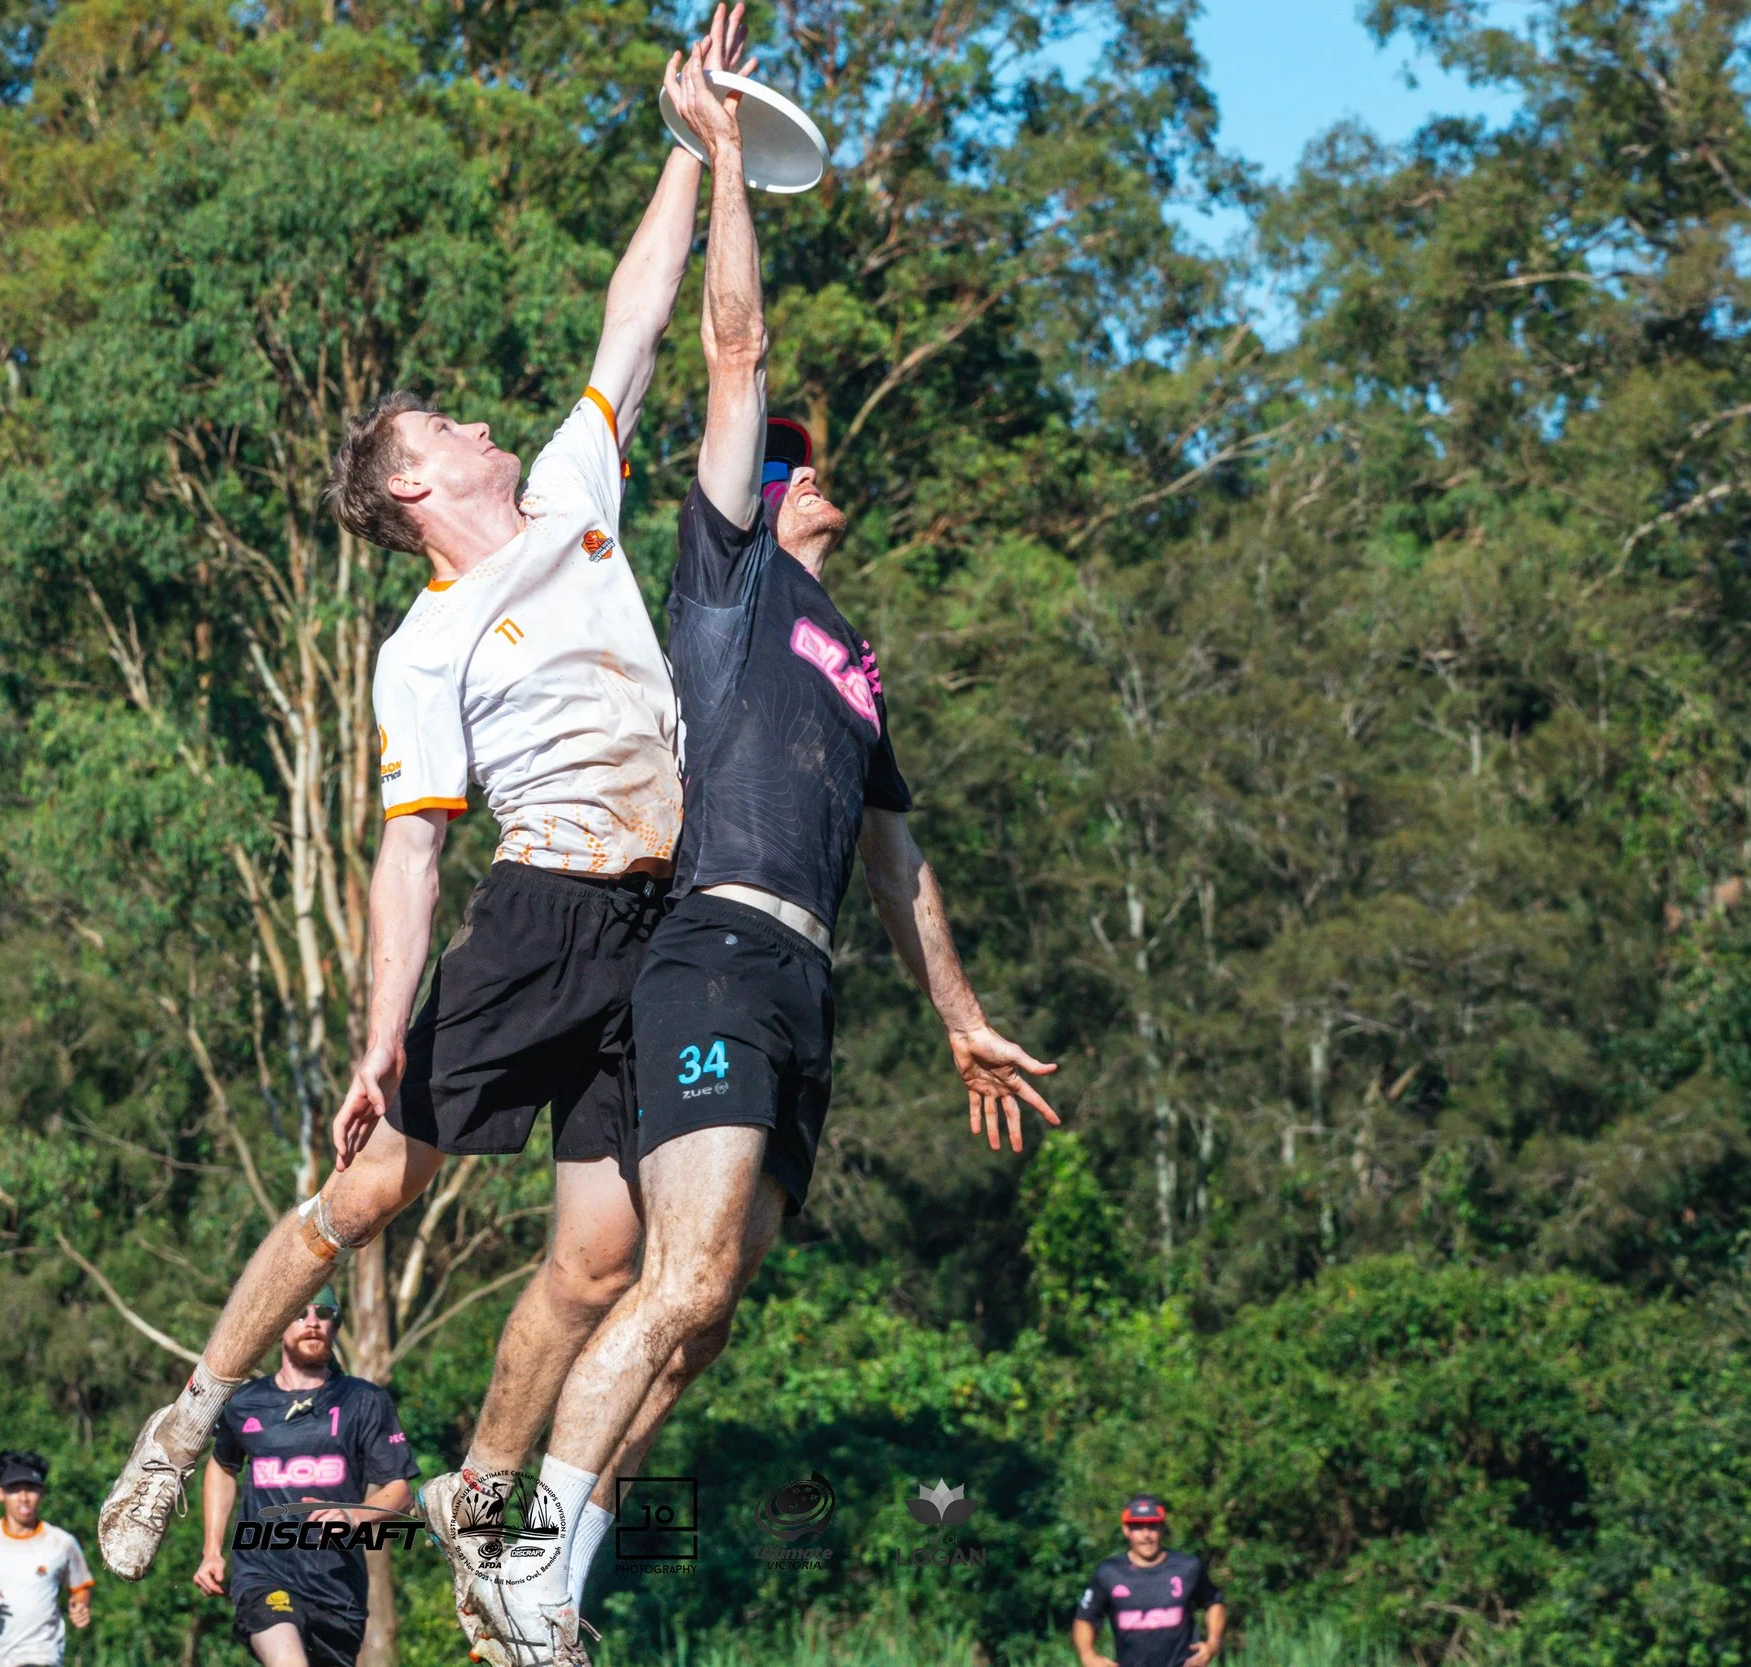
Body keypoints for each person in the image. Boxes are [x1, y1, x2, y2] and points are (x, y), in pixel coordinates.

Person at [99, 9, 759, 1644]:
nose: (481, 423)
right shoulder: (426, 642)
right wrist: (379, 1033)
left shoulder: (571, 489)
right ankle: (187, 1417)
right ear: (410, 484)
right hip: (538, 916)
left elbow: (643, 311)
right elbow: (410, 852)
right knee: (371, 1192)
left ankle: (491, 1513)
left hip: (657, 934)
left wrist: (687, 139)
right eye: (450, 427)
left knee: (602, 1261)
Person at [480, 50, 1062, 1665]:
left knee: (711, 1298)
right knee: (673, 1273)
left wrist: (955, 1013)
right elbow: (730, 349)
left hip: (811, 985)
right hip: (713, 951)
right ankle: (527, 1558)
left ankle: (554, 1580)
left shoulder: (856, 660)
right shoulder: (729, 577)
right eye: (782, 451)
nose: (799, 461)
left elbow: (902, 861)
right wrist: (726, 150)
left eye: (801, 453)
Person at [192, 1292, 418, 1667]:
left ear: (334, 1325)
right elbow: (222, 1465)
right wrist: (212, 1550)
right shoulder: (244, 1403)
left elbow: (400, 1491)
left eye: (323, 1313)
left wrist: (351, 1516)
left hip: (338, 1590)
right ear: (279, 1326)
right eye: (299, 1313)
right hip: (262, 1574)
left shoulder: (364, 1401)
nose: (312, 1321)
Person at [0, 1450, 95, 1667]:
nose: (23, 1498)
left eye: (31, 1489)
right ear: (0, 1493)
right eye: (14, 1489)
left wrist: (79, 1606)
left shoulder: (62, 1543)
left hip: (42, 1657)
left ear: (42, 1493)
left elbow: (80, 1588)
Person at [1073, 1495, 1226, 1667]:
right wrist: (1088, 1655)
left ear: (1162, 1527)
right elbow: (1085, 1617)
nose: (1146, 1535)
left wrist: (1213, 1643)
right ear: (1126, 1530)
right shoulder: (1109, 1572)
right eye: (1138, 1527)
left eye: (1152, 1526)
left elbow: (1214, 1602)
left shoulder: (1187, 1567)